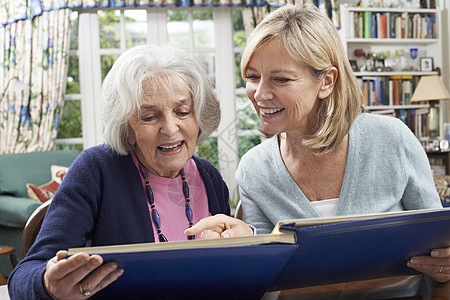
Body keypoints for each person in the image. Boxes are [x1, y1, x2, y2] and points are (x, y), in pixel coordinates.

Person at [187, 3, 450, 293]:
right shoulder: (254, 168)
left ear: (326, 81)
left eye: (280, 79)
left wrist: (444, 265)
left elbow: (437, 246)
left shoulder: (392, 140)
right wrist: (245, 240)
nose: (259, 93)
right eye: (252, 77)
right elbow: (265, 273)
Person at [7, 44, 239, 299]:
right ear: (126, 127)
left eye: (182, 111)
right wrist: (49, 285)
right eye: (149, 117)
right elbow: (25, 274)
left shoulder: (209, 178)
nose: (170, 128)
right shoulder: (96, 171)